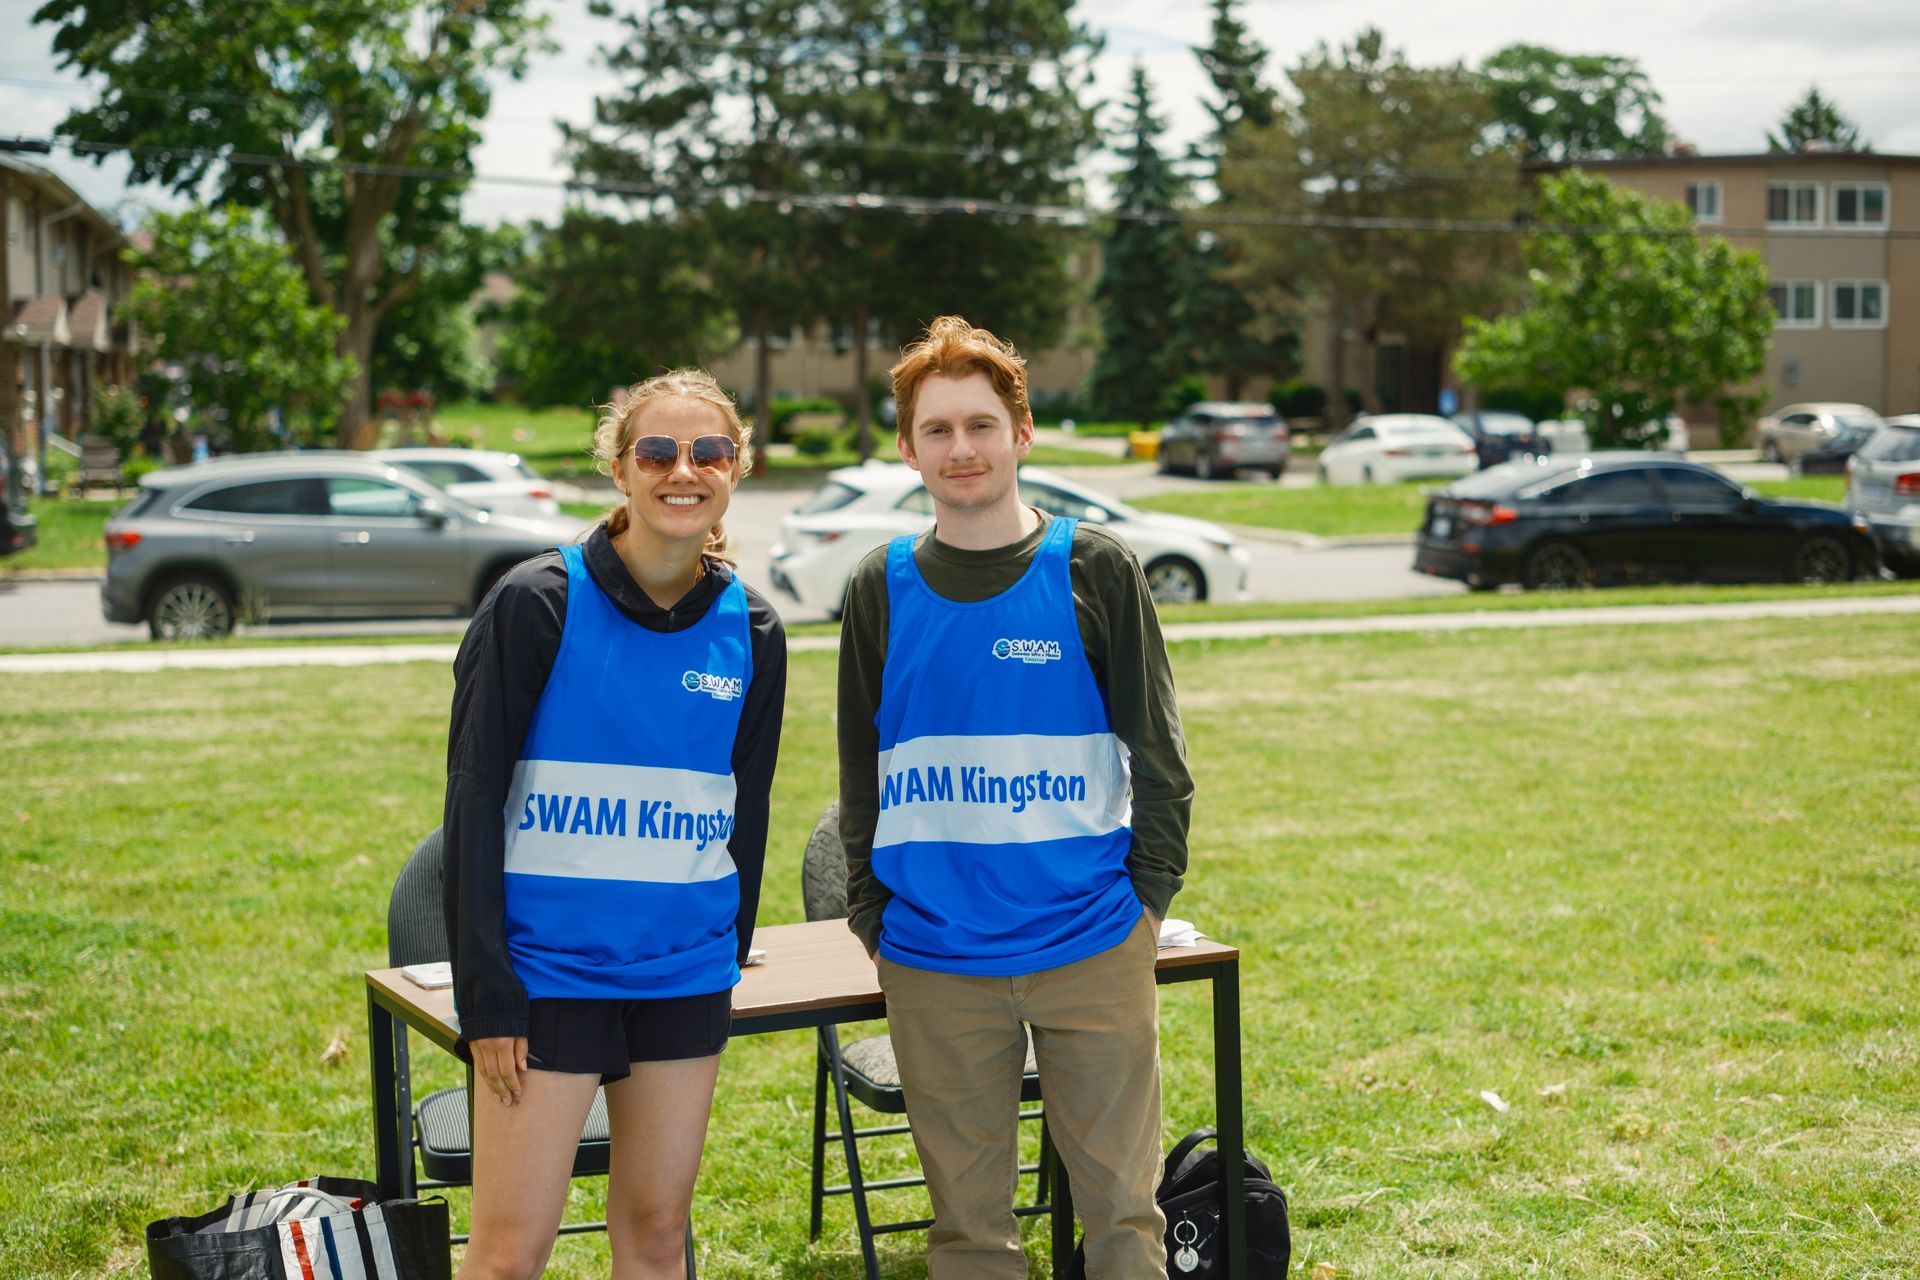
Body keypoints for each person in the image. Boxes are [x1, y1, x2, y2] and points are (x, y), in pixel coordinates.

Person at [837, 316, 1193, 1279]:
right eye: (938, 429)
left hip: (1090, 945)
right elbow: (860, 776)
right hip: (935, 959)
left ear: (1022, 433)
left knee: (1124, 1216)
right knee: (968, 1234)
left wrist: (1143, 907)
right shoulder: (881, 587)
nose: (962, 448)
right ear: (908, 447)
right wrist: (876, 915)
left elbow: (1159, 759)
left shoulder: (1094, 568)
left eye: (981, 425)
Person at [442, 369, 786, 1280]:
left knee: (656, 1236)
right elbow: (473, 800)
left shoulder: (751, 628)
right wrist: (488, 995)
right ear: (619, 468)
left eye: (710, 451)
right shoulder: (535, 603)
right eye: (659, 451)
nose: (685, 470)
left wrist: (727, 950)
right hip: (546, 979)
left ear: (737, 467)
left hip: (680, 977)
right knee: (511, 1255)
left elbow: (743, 810)